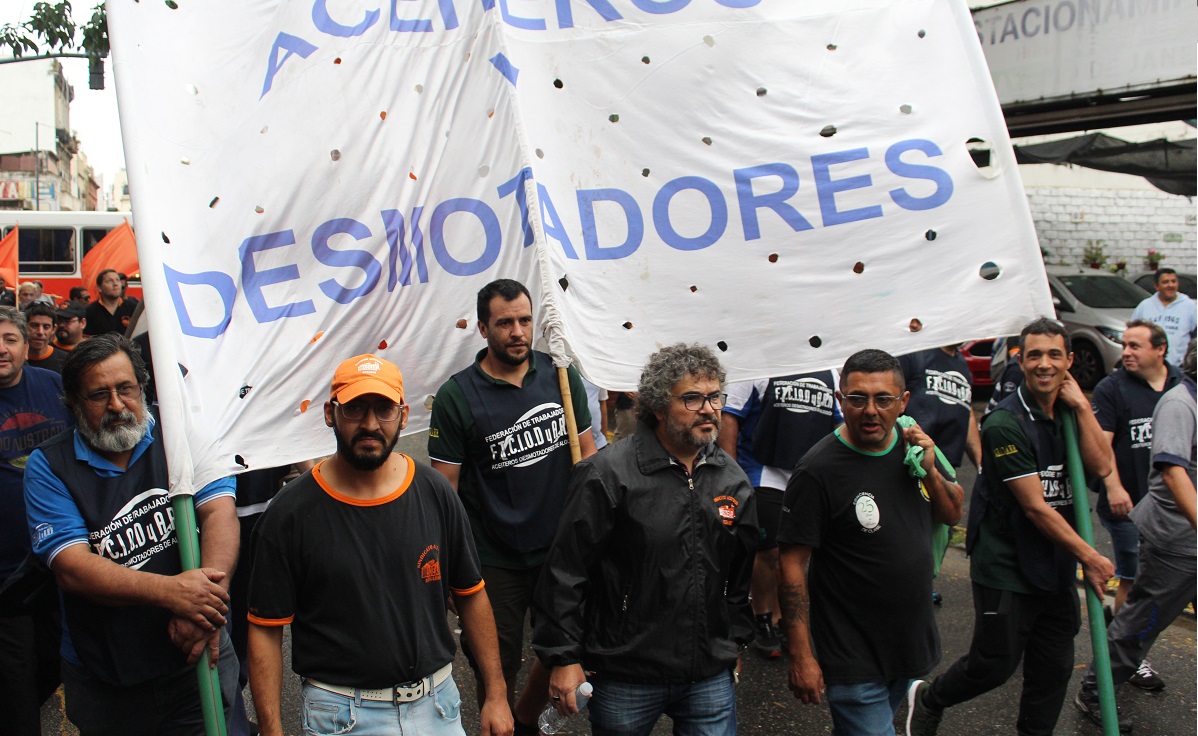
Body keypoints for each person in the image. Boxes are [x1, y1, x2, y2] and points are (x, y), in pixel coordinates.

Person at [248, 354, 512, 736]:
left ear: (403, 416)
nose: (370, 424)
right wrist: (272, 731)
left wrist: (497, 694)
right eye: (355, 408)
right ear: (330, 413)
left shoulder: (434, 491)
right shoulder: (288, 514)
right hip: (342, 717)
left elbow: (471, 594)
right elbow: (265, 629)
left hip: (438, 706)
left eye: (384, 409)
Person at [534, 343, 756, 736]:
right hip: (625, 674)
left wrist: (733, 642)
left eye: (714, 396)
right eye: (692, 398)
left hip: (708, 675)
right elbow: (565, 573)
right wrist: (563, 657)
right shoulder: (607, 474)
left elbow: (737, 576)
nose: (708, 409)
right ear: (657, 406)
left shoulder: (731, 479)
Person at [907, 318, 1115, 736]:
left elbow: (1102, 466)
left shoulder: (1069, 411)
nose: (1044, 364)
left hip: (1054, 561)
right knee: (994, 665)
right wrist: (1090, 557)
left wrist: (1081, 407)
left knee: (1053, 668)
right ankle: (930, 698)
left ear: (1069, 360)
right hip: (1007, 563)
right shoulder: (1005, 422)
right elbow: (1035, 508)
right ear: (1020, 360)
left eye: (1054, 355)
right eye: (1034, 355)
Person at [23, 334, 240, 733]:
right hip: (107, 675)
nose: (117, 405)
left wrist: (203, 612)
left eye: (126, 389)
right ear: (73, 402)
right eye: (98, 395)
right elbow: (72, 567)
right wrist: (175, 593)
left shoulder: (182, 430)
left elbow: (219, 514)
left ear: (143, 387)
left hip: (196, 652)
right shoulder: (49, 466)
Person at [428, 279, 595, 733]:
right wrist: (449, 567)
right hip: (493, 559)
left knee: (563, 646)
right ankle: (500, 721)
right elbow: (445, 493)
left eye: (524, 320)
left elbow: (588, 455)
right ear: (483, 329)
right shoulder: (457, 396)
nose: (518, 332)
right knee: (495, 666)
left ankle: (523, 720)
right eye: (505, 323)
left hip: (559, 551)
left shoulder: (561, 376)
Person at [777, 349, 962, 735]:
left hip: (908, 643)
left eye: (883, 399)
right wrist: (801, 655)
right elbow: (791, 563)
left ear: (903, 401)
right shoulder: (817, 471)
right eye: (858, 398)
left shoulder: (913, 443)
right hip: (851, 652)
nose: (871, 411)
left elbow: (951, 513)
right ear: (840, 400)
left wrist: (929, 470)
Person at [1074, 338, 1197, 731]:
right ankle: (1095, 693)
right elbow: (1173, 472)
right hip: (1176, 543)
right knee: (1141, 624)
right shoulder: (1181, 404)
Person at [720, 371, 841, 659]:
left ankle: (783, 616)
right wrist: (730, 474)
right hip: (763, 472)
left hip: (809, 476)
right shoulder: (759, 365)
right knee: (770, 551)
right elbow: (729, 417)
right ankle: (761, 614)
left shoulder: (829, 370)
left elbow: (840, 421)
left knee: (797, 550)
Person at [1089, 319, 1180, 690]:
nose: (1125, 352)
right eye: (1124, 345)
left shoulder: (1180, 386)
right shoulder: (1112, 388)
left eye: (1134, 346)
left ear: (1160, 349)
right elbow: (1101, 445)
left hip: (1169, 507)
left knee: (1163, 581)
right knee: (1136, 578)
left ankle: (1121, 631)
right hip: (1126, 504)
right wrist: (1113, 487)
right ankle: (1127, 656)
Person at [0, 307, 72, 735]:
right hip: (5, 570)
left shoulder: (54, 386)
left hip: (58, 558)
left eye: (9, 339)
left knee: (56, 658)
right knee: (15, 676)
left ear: (28, 347)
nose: (1, 349)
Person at [1130, 268, 1197, 368]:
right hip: (1149, 366)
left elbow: (1195, 338)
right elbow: (1132, 334)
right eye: (1165, 282)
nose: (1170, 285)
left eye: (1173, 281)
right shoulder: (1144, 306)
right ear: (1157, 286)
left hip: (1179, 367)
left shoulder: (1190, 306)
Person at [83, 269, 137, 337]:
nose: (115, 284)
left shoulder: (133, 308)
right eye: (110, 281)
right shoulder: (89, 312)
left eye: (117, 280)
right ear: (99, 288)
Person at [22, 302, 67, 374]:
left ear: (53, 329)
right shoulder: (15, 359)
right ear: (24, 327)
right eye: (34, 325)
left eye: (46, 327)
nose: (40, 332)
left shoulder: (65, 360)